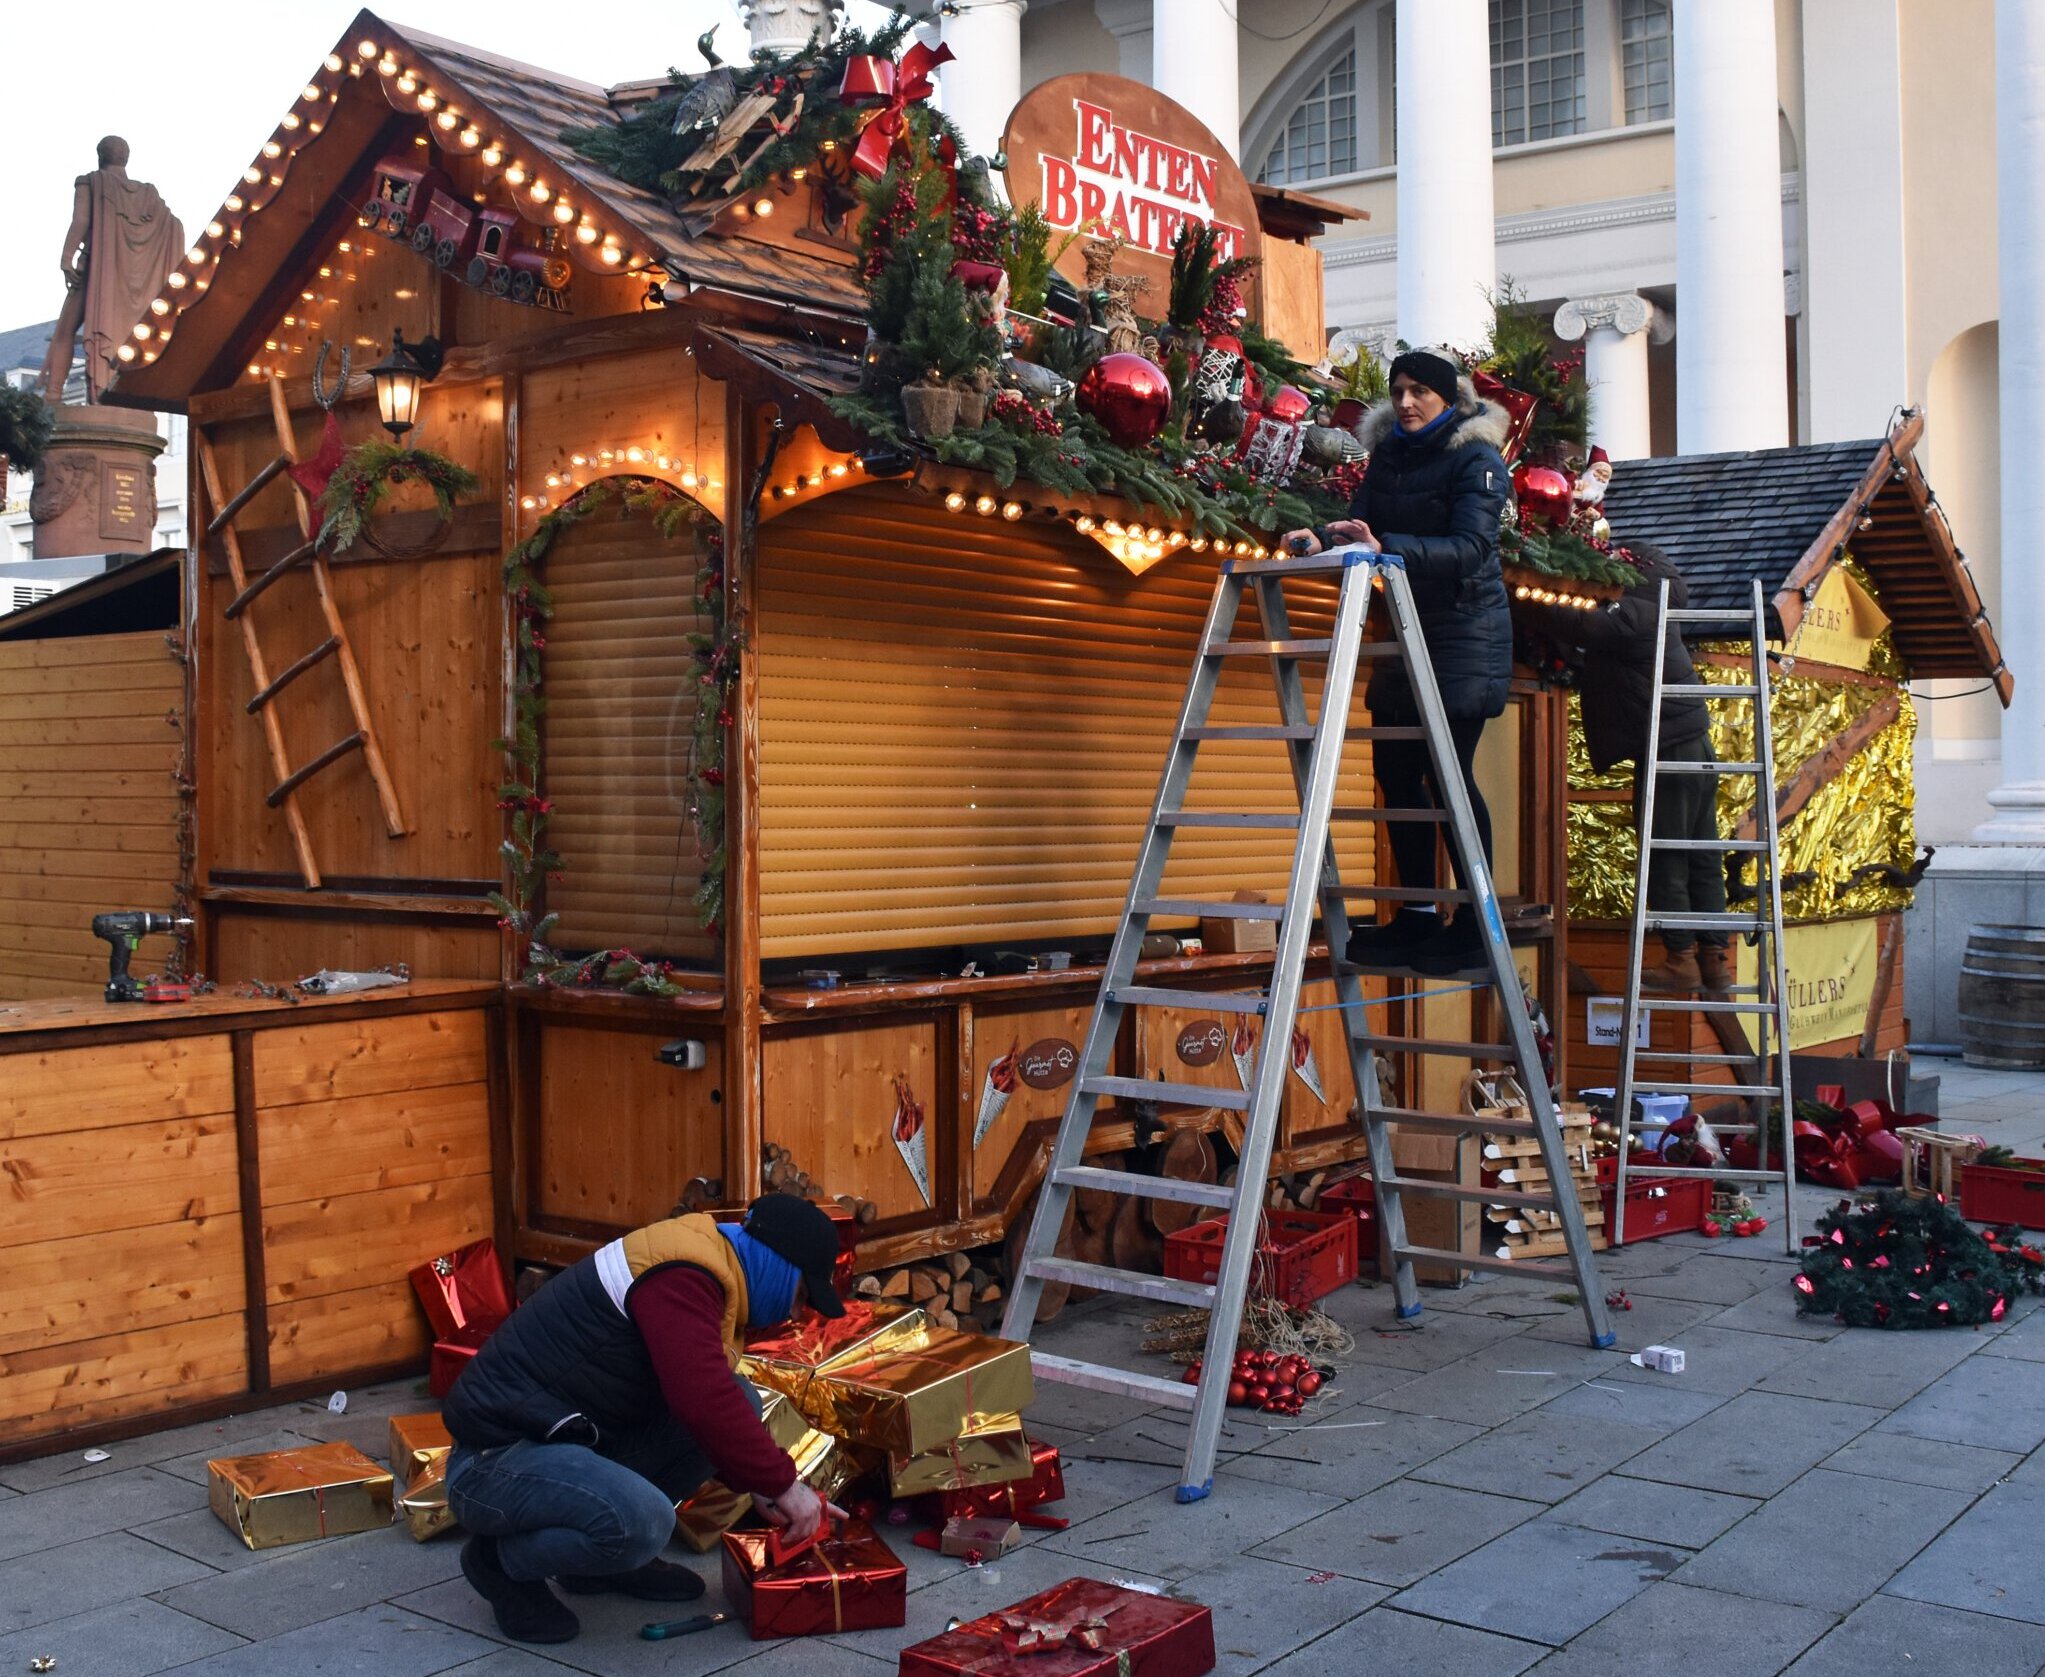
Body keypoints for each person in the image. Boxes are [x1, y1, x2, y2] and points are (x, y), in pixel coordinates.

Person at [442, 1193, 849, 1644]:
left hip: (563, 1439)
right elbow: (701, 1397)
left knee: (741, 1401)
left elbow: (705, 1399)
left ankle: (602, 1566)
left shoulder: (707, 1265)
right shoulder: (683, 1276)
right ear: (780, 1265)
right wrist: (782, 1486)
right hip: (492, 1461)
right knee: (645, 1522)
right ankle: (499, 1563)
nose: (796, 1313)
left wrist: (759, 1482)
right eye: (801, 1295)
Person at [1282, 346, 1514, 978]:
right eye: (1398, 391)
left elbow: (1471, 547)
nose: (1406, 403)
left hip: (1464, 634)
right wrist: (1322, 536)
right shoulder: (1389, 454)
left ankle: (1475, 923)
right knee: (1395, 770)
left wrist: (1387, 546)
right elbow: (1363, 523)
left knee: (1448, 773)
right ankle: (1417, 914)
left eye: (1420, 392)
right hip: (1403, 631)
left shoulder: (1478, 458)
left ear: (1448, 398)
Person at [1518, 543, 1731, 993]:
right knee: (1701, 854)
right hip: (1691, 744)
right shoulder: (1657, 606)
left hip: (1667, 747)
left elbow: (1582, 624)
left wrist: (1522, 598)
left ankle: (1681, 957)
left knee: (1665, 852)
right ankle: (1714, 959)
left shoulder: (1637, 610)